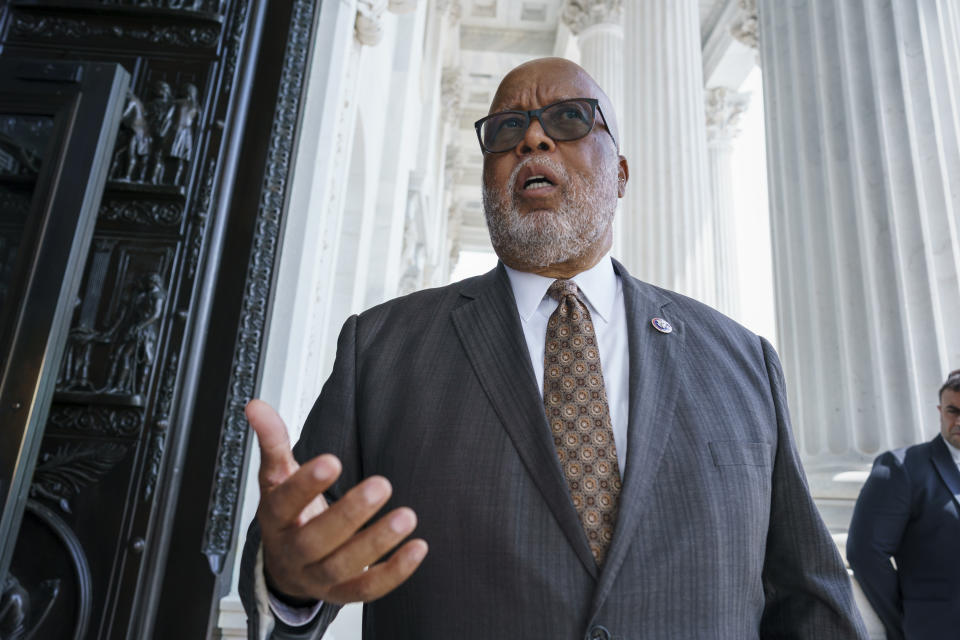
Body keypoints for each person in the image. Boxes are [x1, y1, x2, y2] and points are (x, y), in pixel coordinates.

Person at [239, 57, 867, 639]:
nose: (532, 140)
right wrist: (288, 581)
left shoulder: (742, 359)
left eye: (569, 119)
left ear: (620, 175)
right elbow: (303, 539)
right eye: (508, 127)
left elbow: (810, 597)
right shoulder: (381, 348)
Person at [846, 369, 960, 639]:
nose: (958, 421)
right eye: (952, 411)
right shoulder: (902, 467)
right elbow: (866, 553)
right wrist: (903, 619)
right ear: (940, 410)